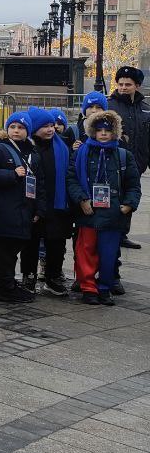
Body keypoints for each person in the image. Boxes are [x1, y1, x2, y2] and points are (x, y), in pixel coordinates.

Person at [68, 108, 141, 306]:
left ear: (114, 132)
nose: (103, 134)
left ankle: (105, 287)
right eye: (99, 130)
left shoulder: (124, 155)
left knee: (109, 255)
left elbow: (133, 185)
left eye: (107, 131)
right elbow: (71, 179)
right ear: (93, 131)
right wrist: (82, 199)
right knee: (86, 252)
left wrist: (128, 205)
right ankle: (88, 287)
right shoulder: (81, 153)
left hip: (113, 212)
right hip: (88, 211)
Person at [0, 113, 38, 303]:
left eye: (20, 128)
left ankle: (9, 283)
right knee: (5, 250)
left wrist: (38, 209)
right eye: (12, 127)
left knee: (13, 249)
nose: (16, 131)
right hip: (3, 210)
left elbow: (40, 183)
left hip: (24, 210)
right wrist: (11, 174)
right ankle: (4, 287)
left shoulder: (31, 153)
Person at [24, 108, 73, 296]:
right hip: (34, 204)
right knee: (31, 243)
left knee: (56, 242)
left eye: (52, 125)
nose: (50, 129)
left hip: (57, 203)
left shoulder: (62, 147)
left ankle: (53, 276)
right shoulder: (27, 148)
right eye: (45, 126)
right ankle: (29, 276)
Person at [108, 66, 149, 251]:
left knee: (130, 197)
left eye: (128, 84)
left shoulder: (146, 109)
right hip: (113, 161)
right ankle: (111, 231)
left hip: (137, 162)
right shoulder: (110, 106)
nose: (123, 87)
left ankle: (123, 233)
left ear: (137, 86)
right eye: (120, 84)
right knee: (114, 197)